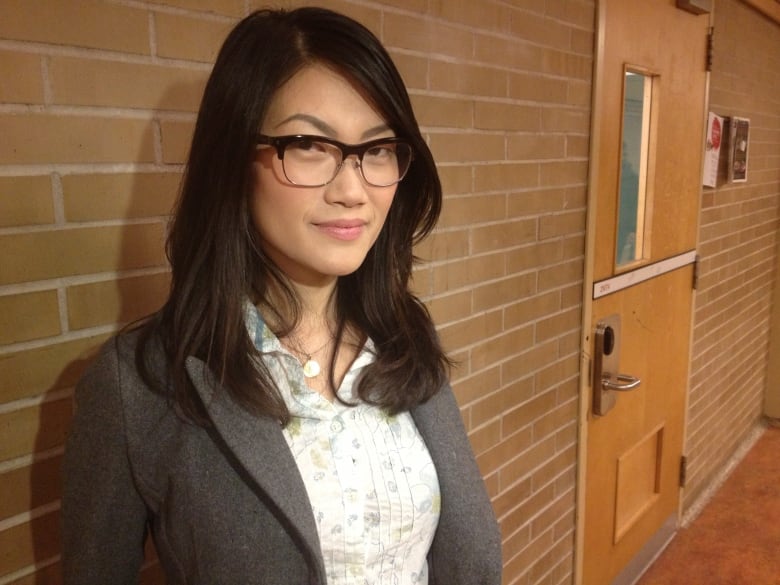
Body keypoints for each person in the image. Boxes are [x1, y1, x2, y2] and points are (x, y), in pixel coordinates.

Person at [62, 7, 502, 585]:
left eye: (377, 149)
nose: (353, 190)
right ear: (235, 161)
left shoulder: (402, 337)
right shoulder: (141, 384)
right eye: (309, 145)